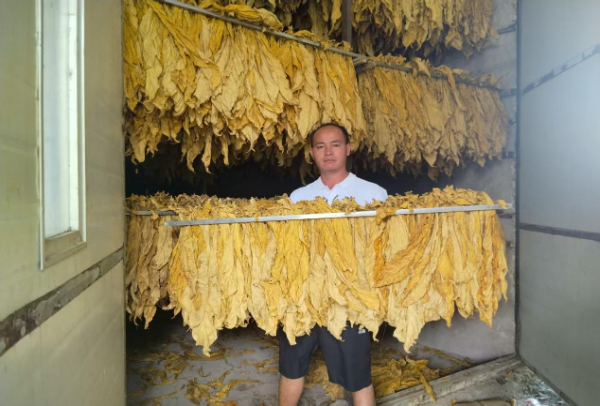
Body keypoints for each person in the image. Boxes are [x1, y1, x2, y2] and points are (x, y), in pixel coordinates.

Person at [279, 123, 388, 406]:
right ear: (312, 153)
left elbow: (383, 249)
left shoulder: (374, 194)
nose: (328, 152)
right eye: (320, 146)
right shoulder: (298, 198)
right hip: (303, 295)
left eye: (335, 145)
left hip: (351, 298)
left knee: (358, 373)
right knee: (291, 365)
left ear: (348, 149)